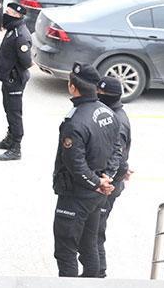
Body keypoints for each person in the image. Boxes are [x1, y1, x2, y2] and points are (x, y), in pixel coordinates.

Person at [52, 62, 119, 278]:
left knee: (66, 251)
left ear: (73, 87)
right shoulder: (107, 112)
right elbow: (117, 149)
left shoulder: (75, 122)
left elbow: (75, 165)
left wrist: (98, 182)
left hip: (77, 194)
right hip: (97, 193)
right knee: (89, 244)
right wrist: (106, 178)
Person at [96, 76, 133, 278]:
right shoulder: (114, 113)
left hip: (108, 186)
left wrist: (107, 179)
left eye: (100, 94)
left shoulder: (117, 121)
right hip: (113, 180)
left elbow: (117, 155)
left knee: (96, 232)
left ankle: (99, 274)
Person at [0, 3, 33, 161]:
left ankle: (16, 147)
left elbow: (26, 61)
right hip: (8, 79)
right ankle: (10, 139)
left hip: (15, 79)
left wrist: (12, 73)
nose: (5, 15)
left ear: (17, 15)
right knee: (8, 109)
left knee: (15, 113)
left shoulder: (20, 34)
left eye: (8, 13)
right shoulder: (12, 29)